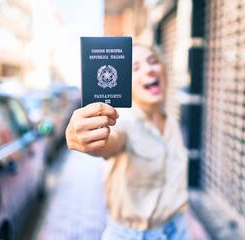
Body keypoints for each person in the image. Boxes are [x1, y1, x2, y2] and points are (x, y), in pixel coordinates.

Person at [66, 44, 190, 239]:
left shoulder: (171, 120)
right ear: (125, 83)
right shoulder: (122, 121)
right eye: (136, 68)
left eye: (153, 61)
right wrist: (85, 138)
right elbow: (109, 141)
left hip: (178, 229)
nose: (149, 69)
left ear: (164, 70)